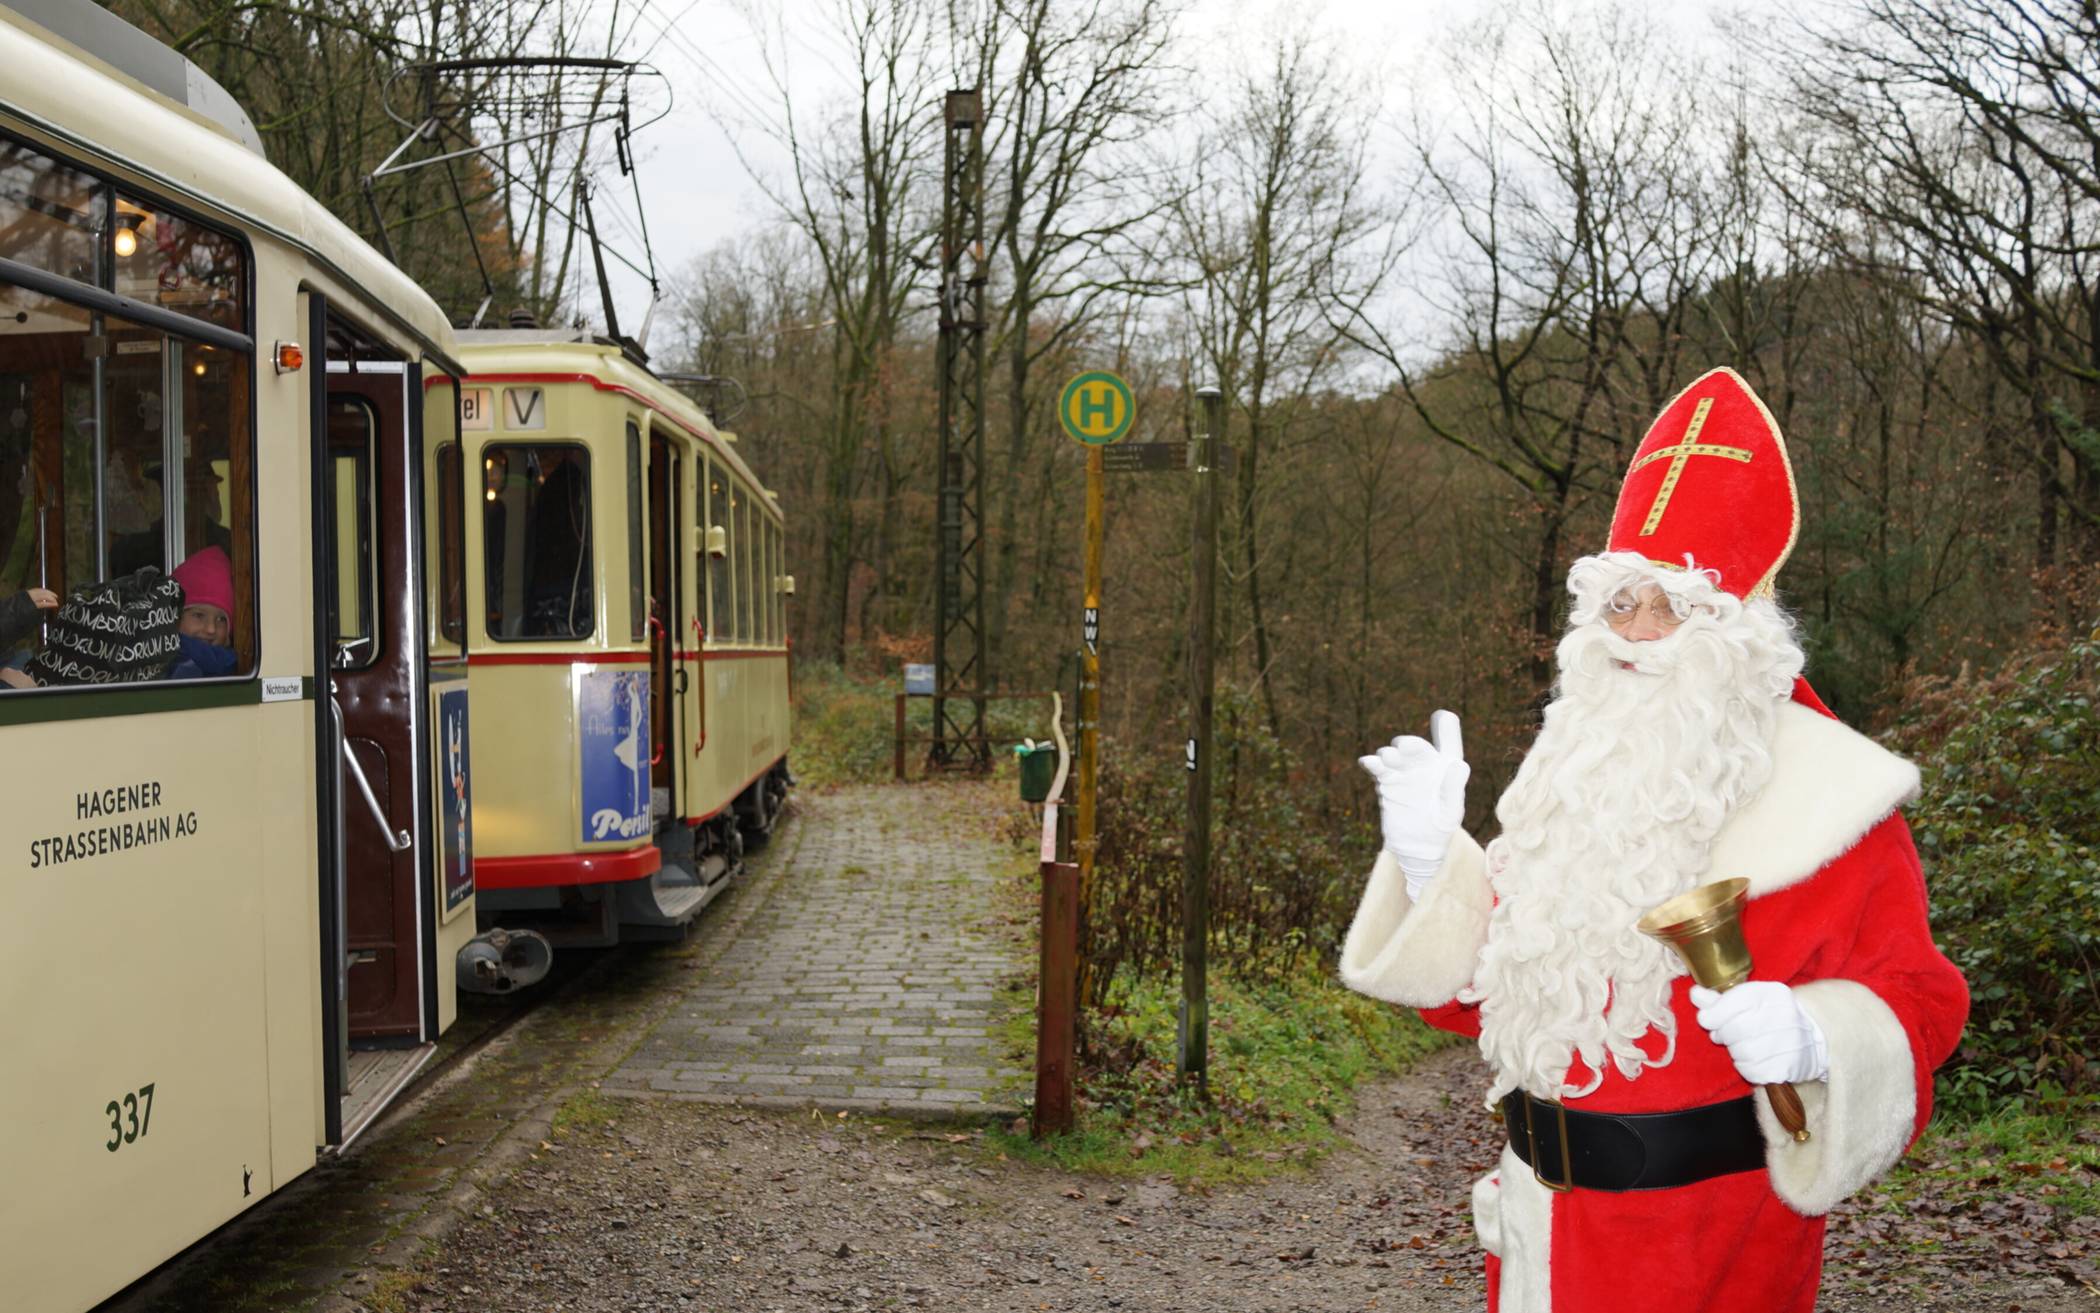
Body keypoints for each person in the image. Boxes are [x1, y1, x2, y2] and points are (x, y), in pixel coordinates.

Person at [1340, 367, 1968, 1313]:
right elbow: (1501, 1005)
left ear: (1737, 628)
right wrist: (1437, 863)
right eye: (1619, 605)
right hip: (1537, 1231)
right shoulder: (1575, 764)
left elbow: (1920, 998)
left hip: (1714, 1245)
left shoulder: (1834, 793)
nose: (1637, 632)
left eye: (1671, 605)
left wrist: (1814, 1034)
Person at [165, 544, 237, 679]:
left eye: (221, 619)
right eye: (198, 615)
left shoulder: (240, 668)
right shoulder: (159, 665)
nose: (211, 629)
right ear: (174, 618)